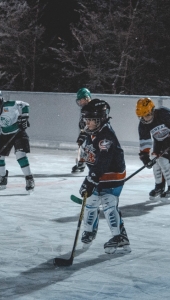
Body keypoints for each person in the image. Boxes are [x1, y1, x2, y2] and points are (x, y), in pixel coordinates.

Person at [79, 99, 131, 254]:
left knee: (108, 203)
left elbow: (103, 161)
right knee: (91, 201)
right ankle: (89, 230)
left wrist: (92, 178)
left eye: (91, 121)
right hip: (100, 174)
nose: (88, 124)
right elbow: (92, 159)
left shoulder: (106, 136)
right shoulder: (93, 133)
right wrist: (89, 179)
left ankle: (119, 236)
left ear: (101, 119)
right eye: (86, 120)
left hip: (112, 175)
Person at [0, 88, 35, 193]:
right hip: (5, 135)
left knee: (20, 155)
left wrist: (24, 117)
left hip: (18, 133)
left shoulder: (10, 105)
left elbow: (25, 105)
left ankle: (29, 179)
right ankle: (2, 178)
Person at [136, 97, 170, 199]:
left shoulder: (164, 114)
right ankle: (159, 186)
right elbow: (144, 141)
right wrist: (145, 157)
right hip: (159, 142)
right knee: (156, 163)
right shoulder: (143, 124)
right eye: (141, 116)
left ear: (152, 110)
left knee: (164, 162)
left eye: (146, 115)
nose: (144, 119)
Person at [72, 88, 92, 174]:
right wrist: (82, 131)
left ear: (87, 98)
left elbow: (92, 123)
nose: (80, 102)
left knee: (91, 147)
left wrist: (85, 132)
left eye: (81, 100)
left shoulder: (93, 108)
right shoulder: (85, 109)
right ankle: (82, 163)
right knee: (83, 145)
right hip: (88, 131)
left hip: (96, 133)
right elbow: (83, 123)